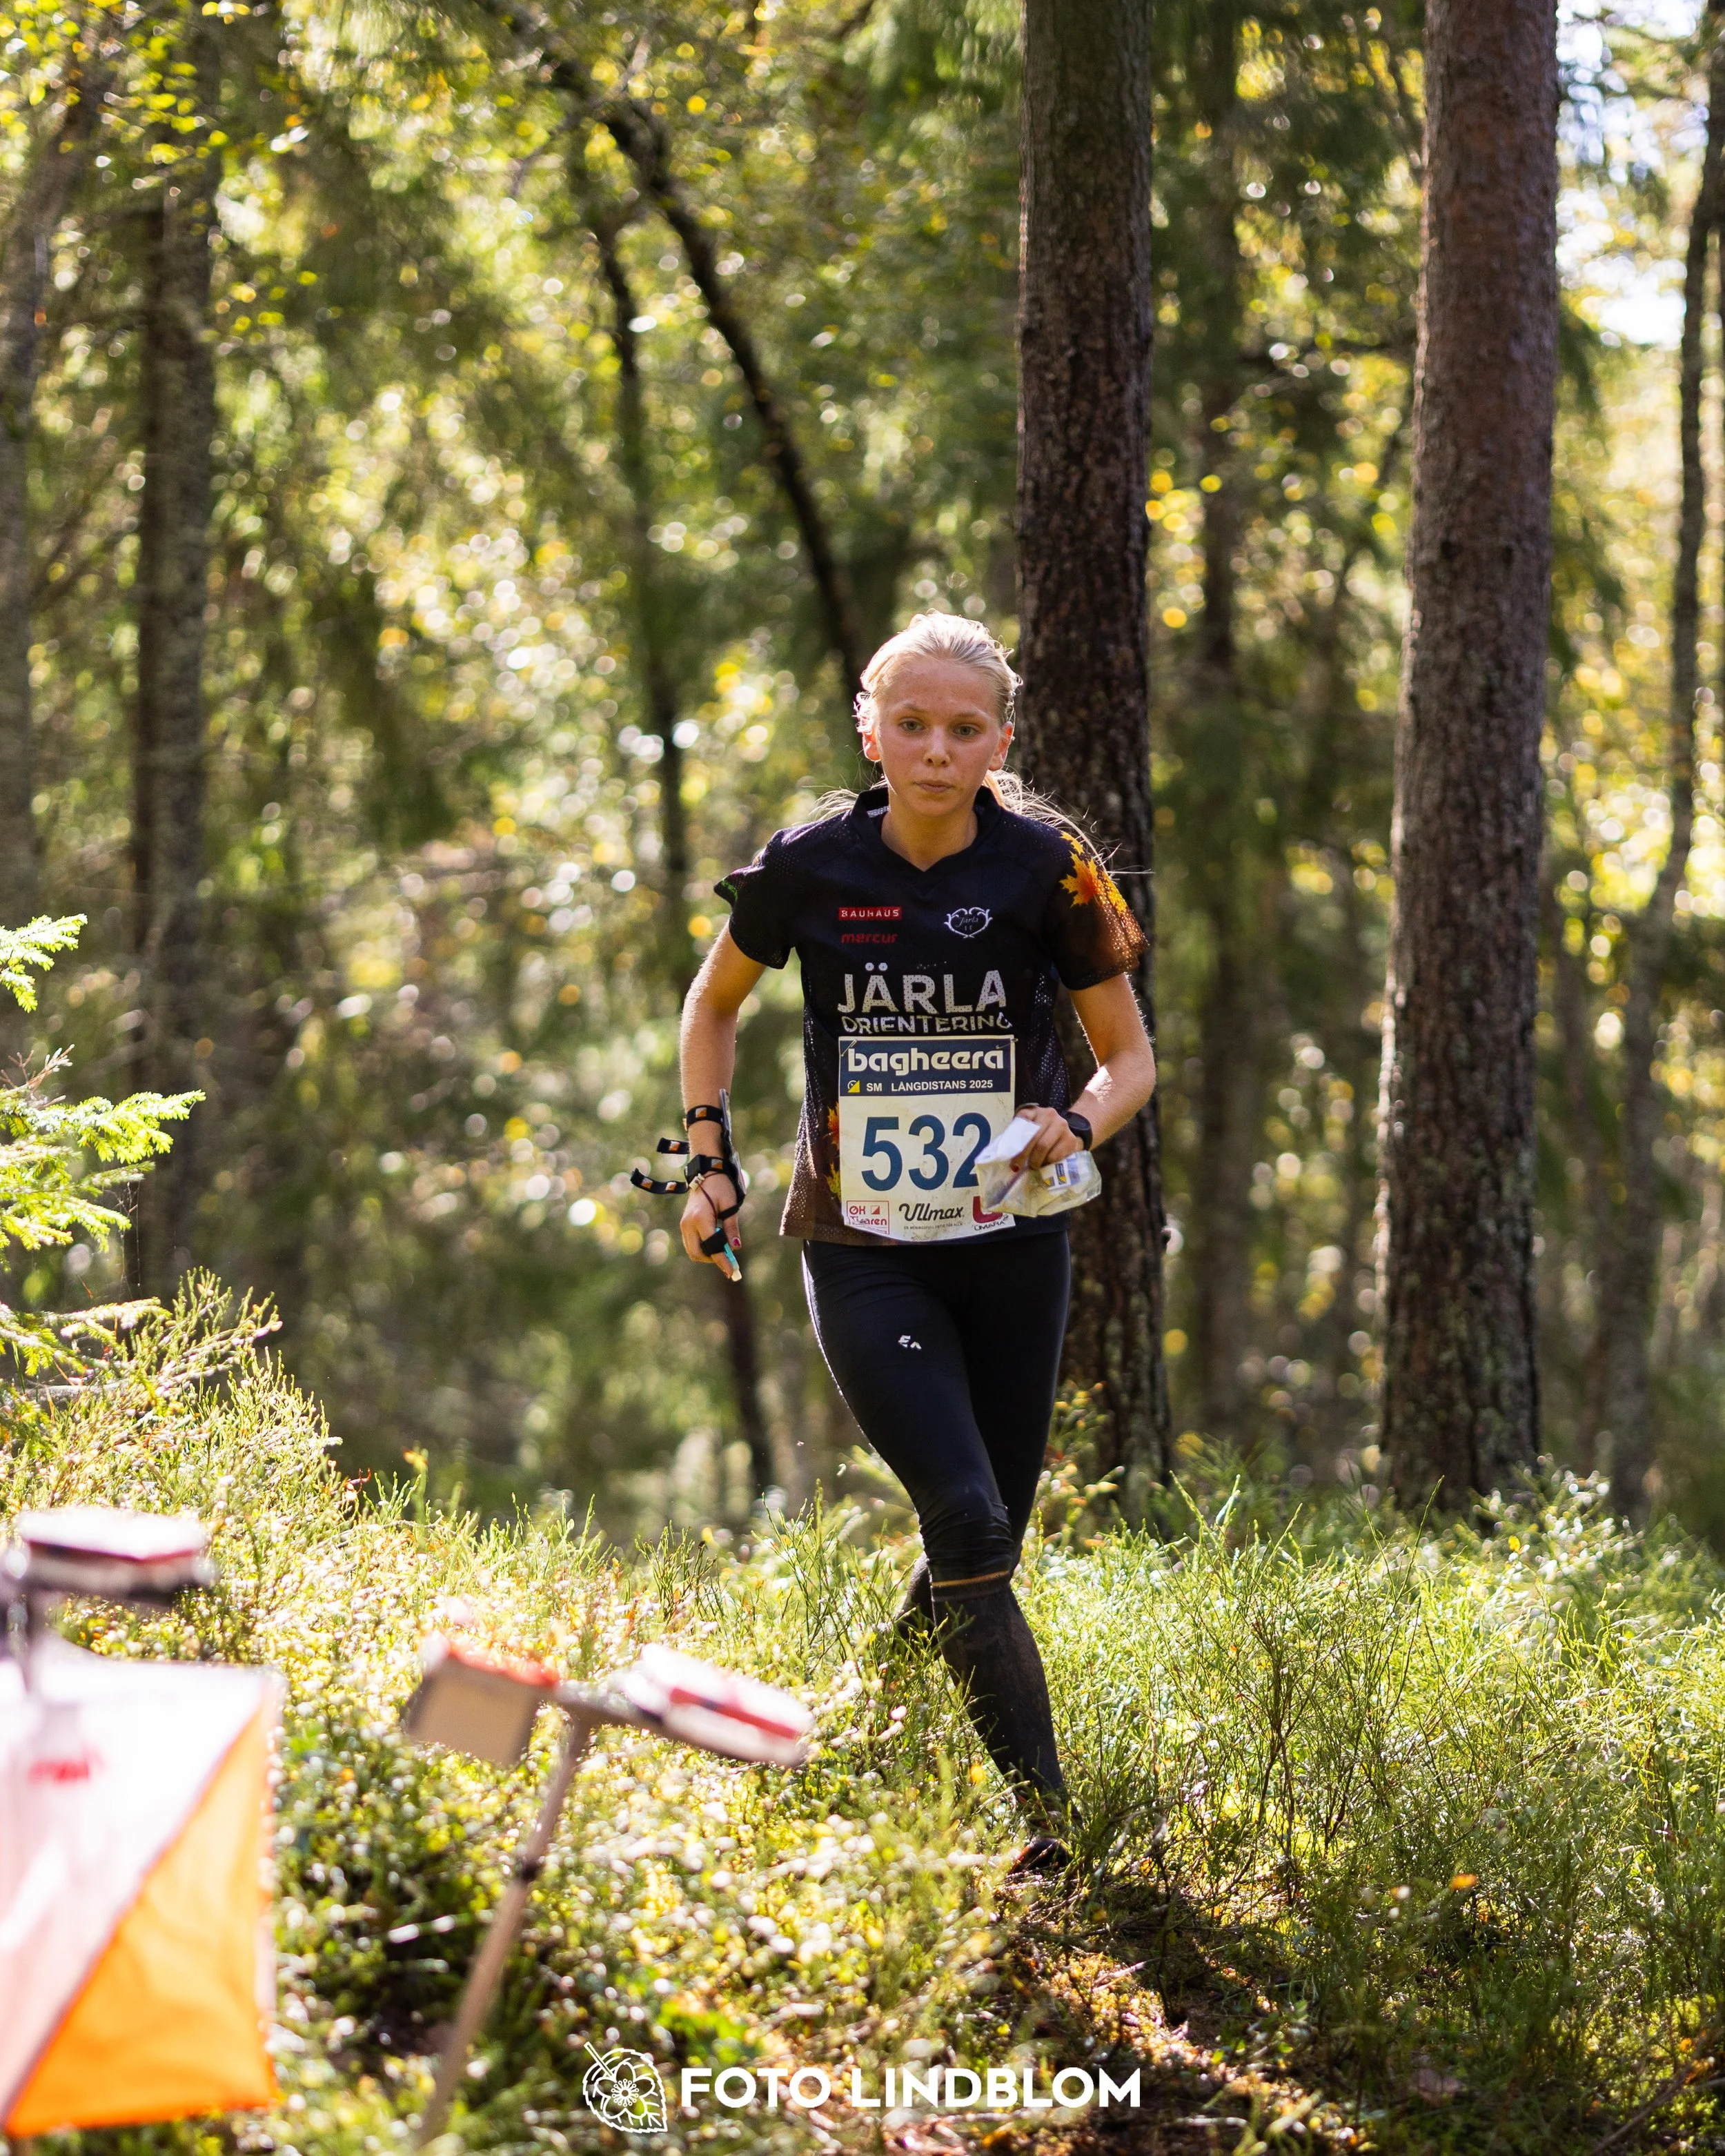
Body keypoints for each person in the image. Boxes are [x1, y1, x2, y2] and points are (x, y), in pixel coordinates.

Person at [677, 612, 1156, 1872]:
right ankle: (1052, 1840)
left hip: (1012, 1241)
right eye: (911, 725)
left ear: (1000, 740)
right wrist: (708, 1161)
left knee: (984, 1529)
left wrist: (1076, 1119)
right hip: (865, 1239)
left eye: (962, 730)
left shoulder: (1047, 866)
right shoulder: (810, 865)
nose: (935, 750)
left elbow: (1130, 1061)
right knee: (963, 1509)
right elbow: (713, 1005)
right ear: (869, 728)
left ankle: (861, 1743)